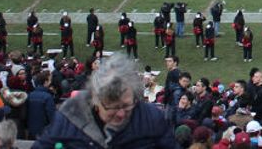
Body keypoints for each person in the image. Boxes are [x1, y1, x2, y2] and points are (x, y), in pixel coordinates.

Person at [30, 54, 174, 148]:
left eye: (126, 105)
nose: (121, 113)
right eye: (113, 107)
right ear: (95, 100)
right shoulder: (69, 116)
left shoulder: (152, 118)